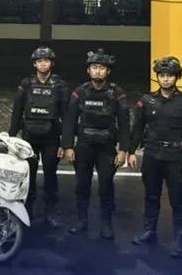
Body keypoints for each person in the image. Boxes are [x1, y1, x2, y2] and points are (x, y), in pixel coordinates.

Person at [129, 57, 182, 258]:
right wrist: (131, 151)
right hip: (152, 155)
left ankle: (179, 239)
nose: (165, 79)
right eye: (162, 75)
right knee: (151, 195)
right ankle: (149, 231)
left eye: (170, 75)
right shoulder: (147, 100)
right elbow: (137, 127)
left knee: (178, 199)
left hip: (177, 157)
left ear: (177, 77)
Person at [61, 48, 130, 240]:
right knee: (81, 186)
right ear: (88, 70)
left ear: (108, 71)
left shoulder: (117, 93)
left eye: (102, 68)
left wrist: (124, 150)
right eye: (94, 67)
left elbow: (124, 123)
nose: (98, 71)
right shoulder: (79, 92)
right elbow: (70, 120)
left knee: (106, 187)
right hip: (84, 146)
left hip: (107, 148)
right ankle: (81, 222)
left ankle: (106, 225)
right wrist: (68, 146)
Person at [8, 46, 68, 228]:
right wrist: (11, 138)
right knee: (27, 176)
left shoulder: (60, 86)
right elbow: (17, 112)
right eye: (40, 61)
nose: (43, 64)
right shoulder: (26, 84)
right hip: (29, 139)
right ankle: (27, 210)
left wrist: (65, 143)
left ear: (52, 63)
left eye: (46, 61)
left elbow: (66, 115)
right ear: (35, 64)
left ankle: (50, 212)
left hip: (51, 139)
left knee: (50, 176)